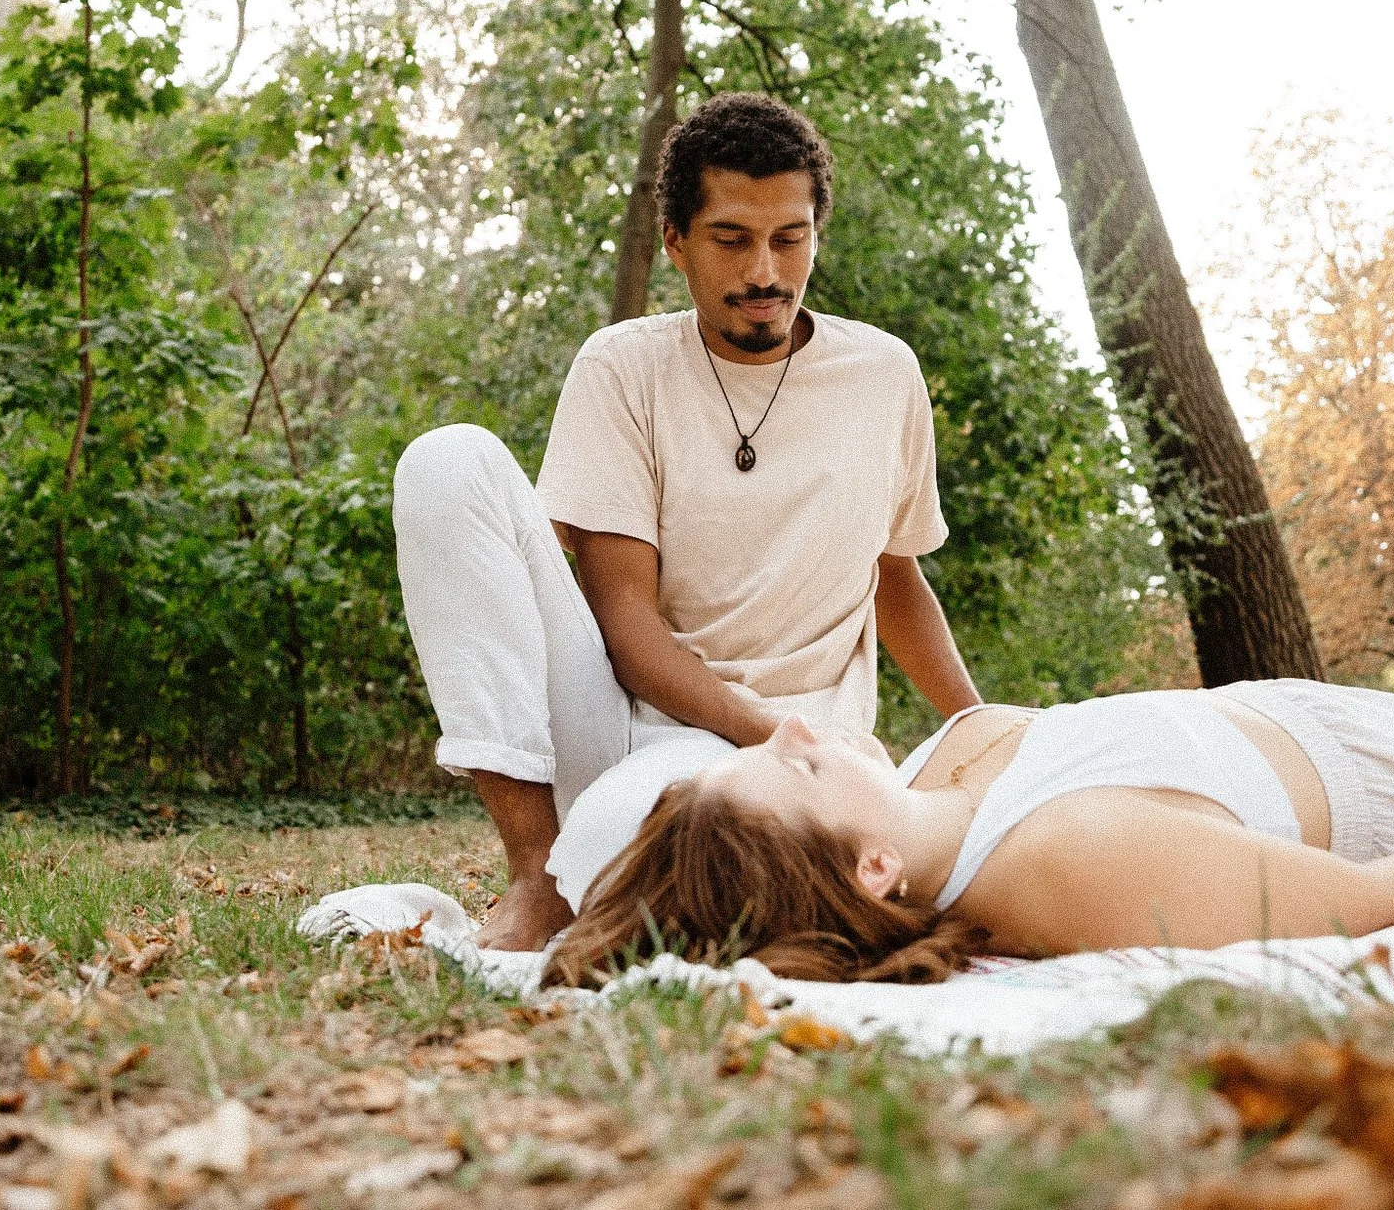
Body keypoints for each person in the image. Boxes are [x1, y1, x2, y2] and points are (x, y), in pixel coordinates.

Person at [393, 93, 985, 949]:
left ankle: (592, 867)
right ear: (675, 241)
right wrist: (764, 723)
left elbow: (896, 580)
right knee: (446, 461)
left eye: (790, 238)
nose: (765, 273)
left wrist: (984, 729)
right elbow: (625, 621)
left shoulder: (885, 375)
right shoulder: (623, 367)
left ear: (816, 232)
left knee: (622, 853)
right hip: (623, 720)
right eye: (732, 239)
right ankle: (535, 874)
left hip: (790, 768)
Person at [545, 681, 1394, 987]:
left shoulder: (946, 764)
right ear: (871, 868)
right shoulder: (1052, 861)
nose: (783, 729)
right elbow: (1351, 901)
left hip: (1365, 717)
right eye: (790, 772)